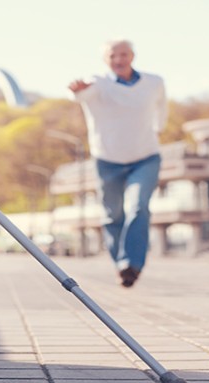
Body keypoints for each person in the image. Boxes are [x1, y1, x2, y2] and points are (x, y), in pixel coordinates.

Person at [67, 39, 167, 288]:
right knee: (112, 215)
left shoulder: (154, 82)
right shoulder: (98, 83)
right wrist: (75, 90)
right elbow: (80, 95)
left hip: (145, 157)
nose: (119, 60)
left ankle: (132, 264)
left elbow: (162, 107)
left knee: (138, 207)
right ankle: (121, 264)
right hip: (107, 159)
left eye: (123, 54)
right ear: (106, 60)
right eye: (113, 56)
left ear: (132, 55)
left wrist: (159, 128)